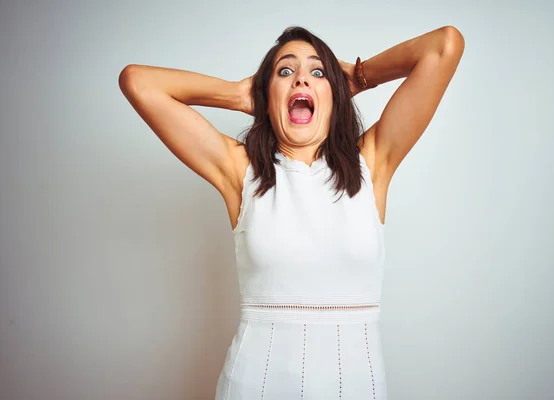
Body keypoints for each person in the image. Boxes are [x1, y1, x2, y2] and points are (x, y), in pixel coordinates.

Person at [119, 25, 464, 400]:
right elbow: (138, 82)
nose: (301, 78)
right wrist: (238, 93)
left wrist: (361, 76)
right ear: (266, 96)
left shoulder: (373, 161)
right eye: (285, 71)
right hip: (255, 386)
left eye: (318, 72)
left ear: (335, 95)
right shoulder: (240, 170)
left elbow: (444, 45)